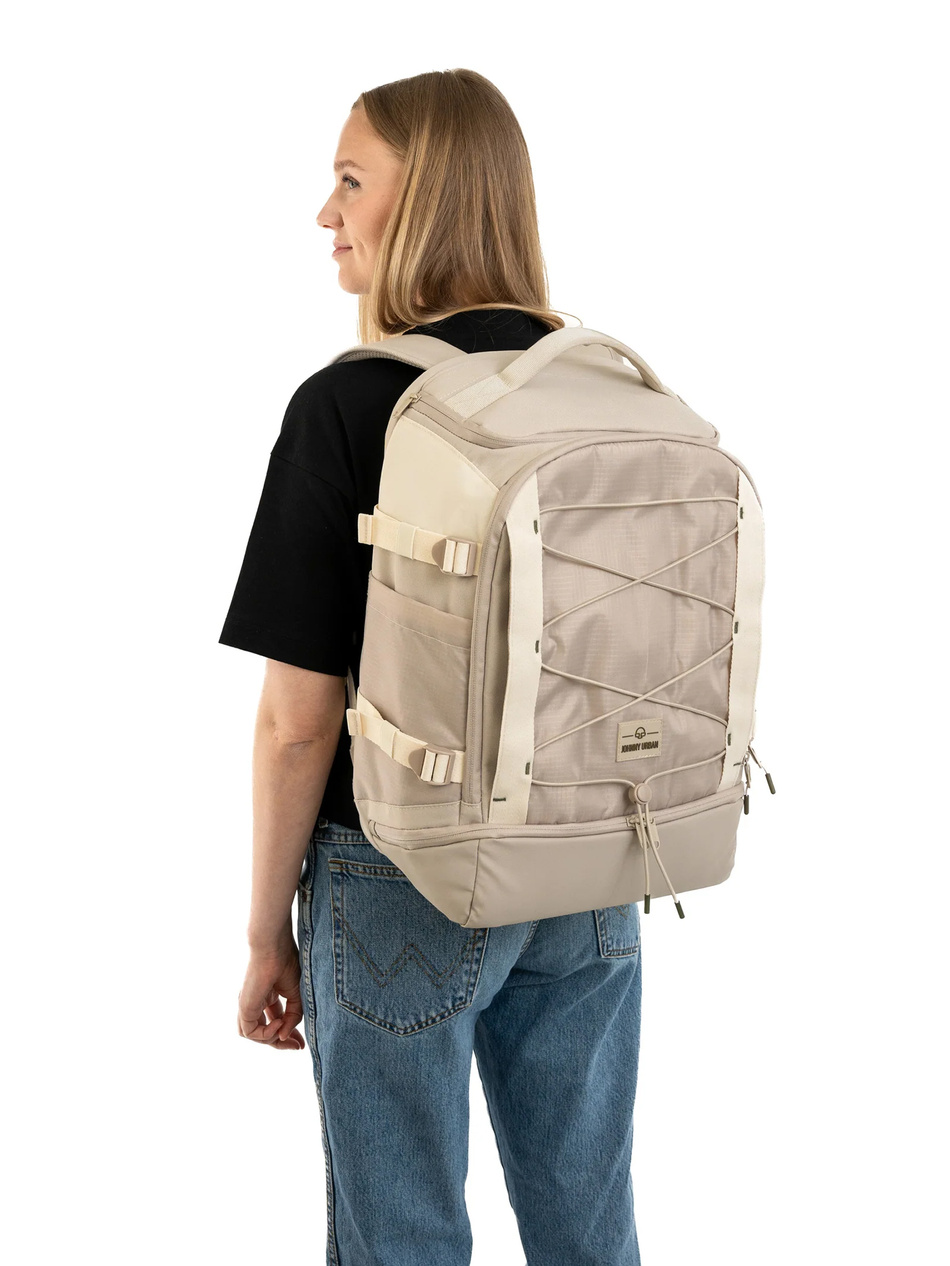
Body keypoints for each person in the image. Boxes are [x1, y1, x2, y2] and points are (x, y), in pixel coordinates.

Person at [219, 69, 643, 1266]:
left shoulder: (351, 407)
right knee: (588, 1233)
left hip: (398, 869)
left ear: (429, 199)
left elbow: (298, 724)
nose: (326, 213)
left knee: (398, 1239)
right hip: (588, 864)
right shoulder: (602, 387)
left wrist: (265, 933)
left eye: (350, 180)